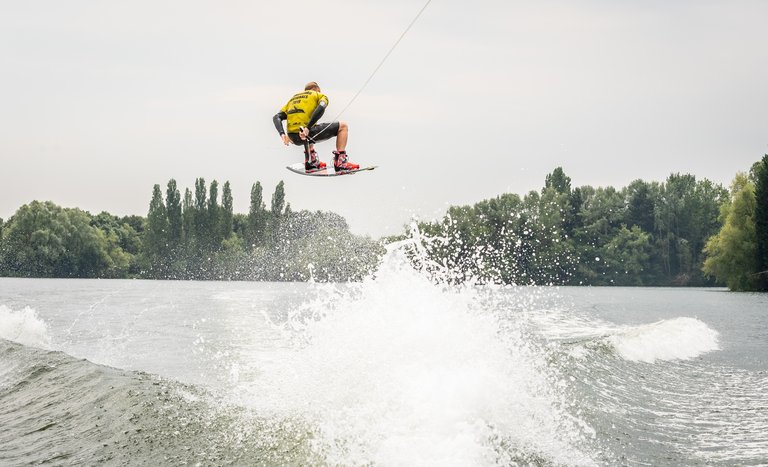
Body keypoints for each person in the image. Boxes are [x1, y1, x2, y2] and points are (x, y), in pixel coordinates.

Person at [273, 82, 359, 173]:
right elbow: (321, 107)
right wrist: (308, 128)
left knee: (310, 126)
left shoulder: (293, 99)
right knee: (343, 126)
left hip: (292, 137)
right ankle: (340, 163)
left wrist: (282, 134)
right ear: (317, 89)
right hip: (307, 134)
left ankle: (312, 161)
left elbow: (276, 117)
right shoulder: (318, 95)